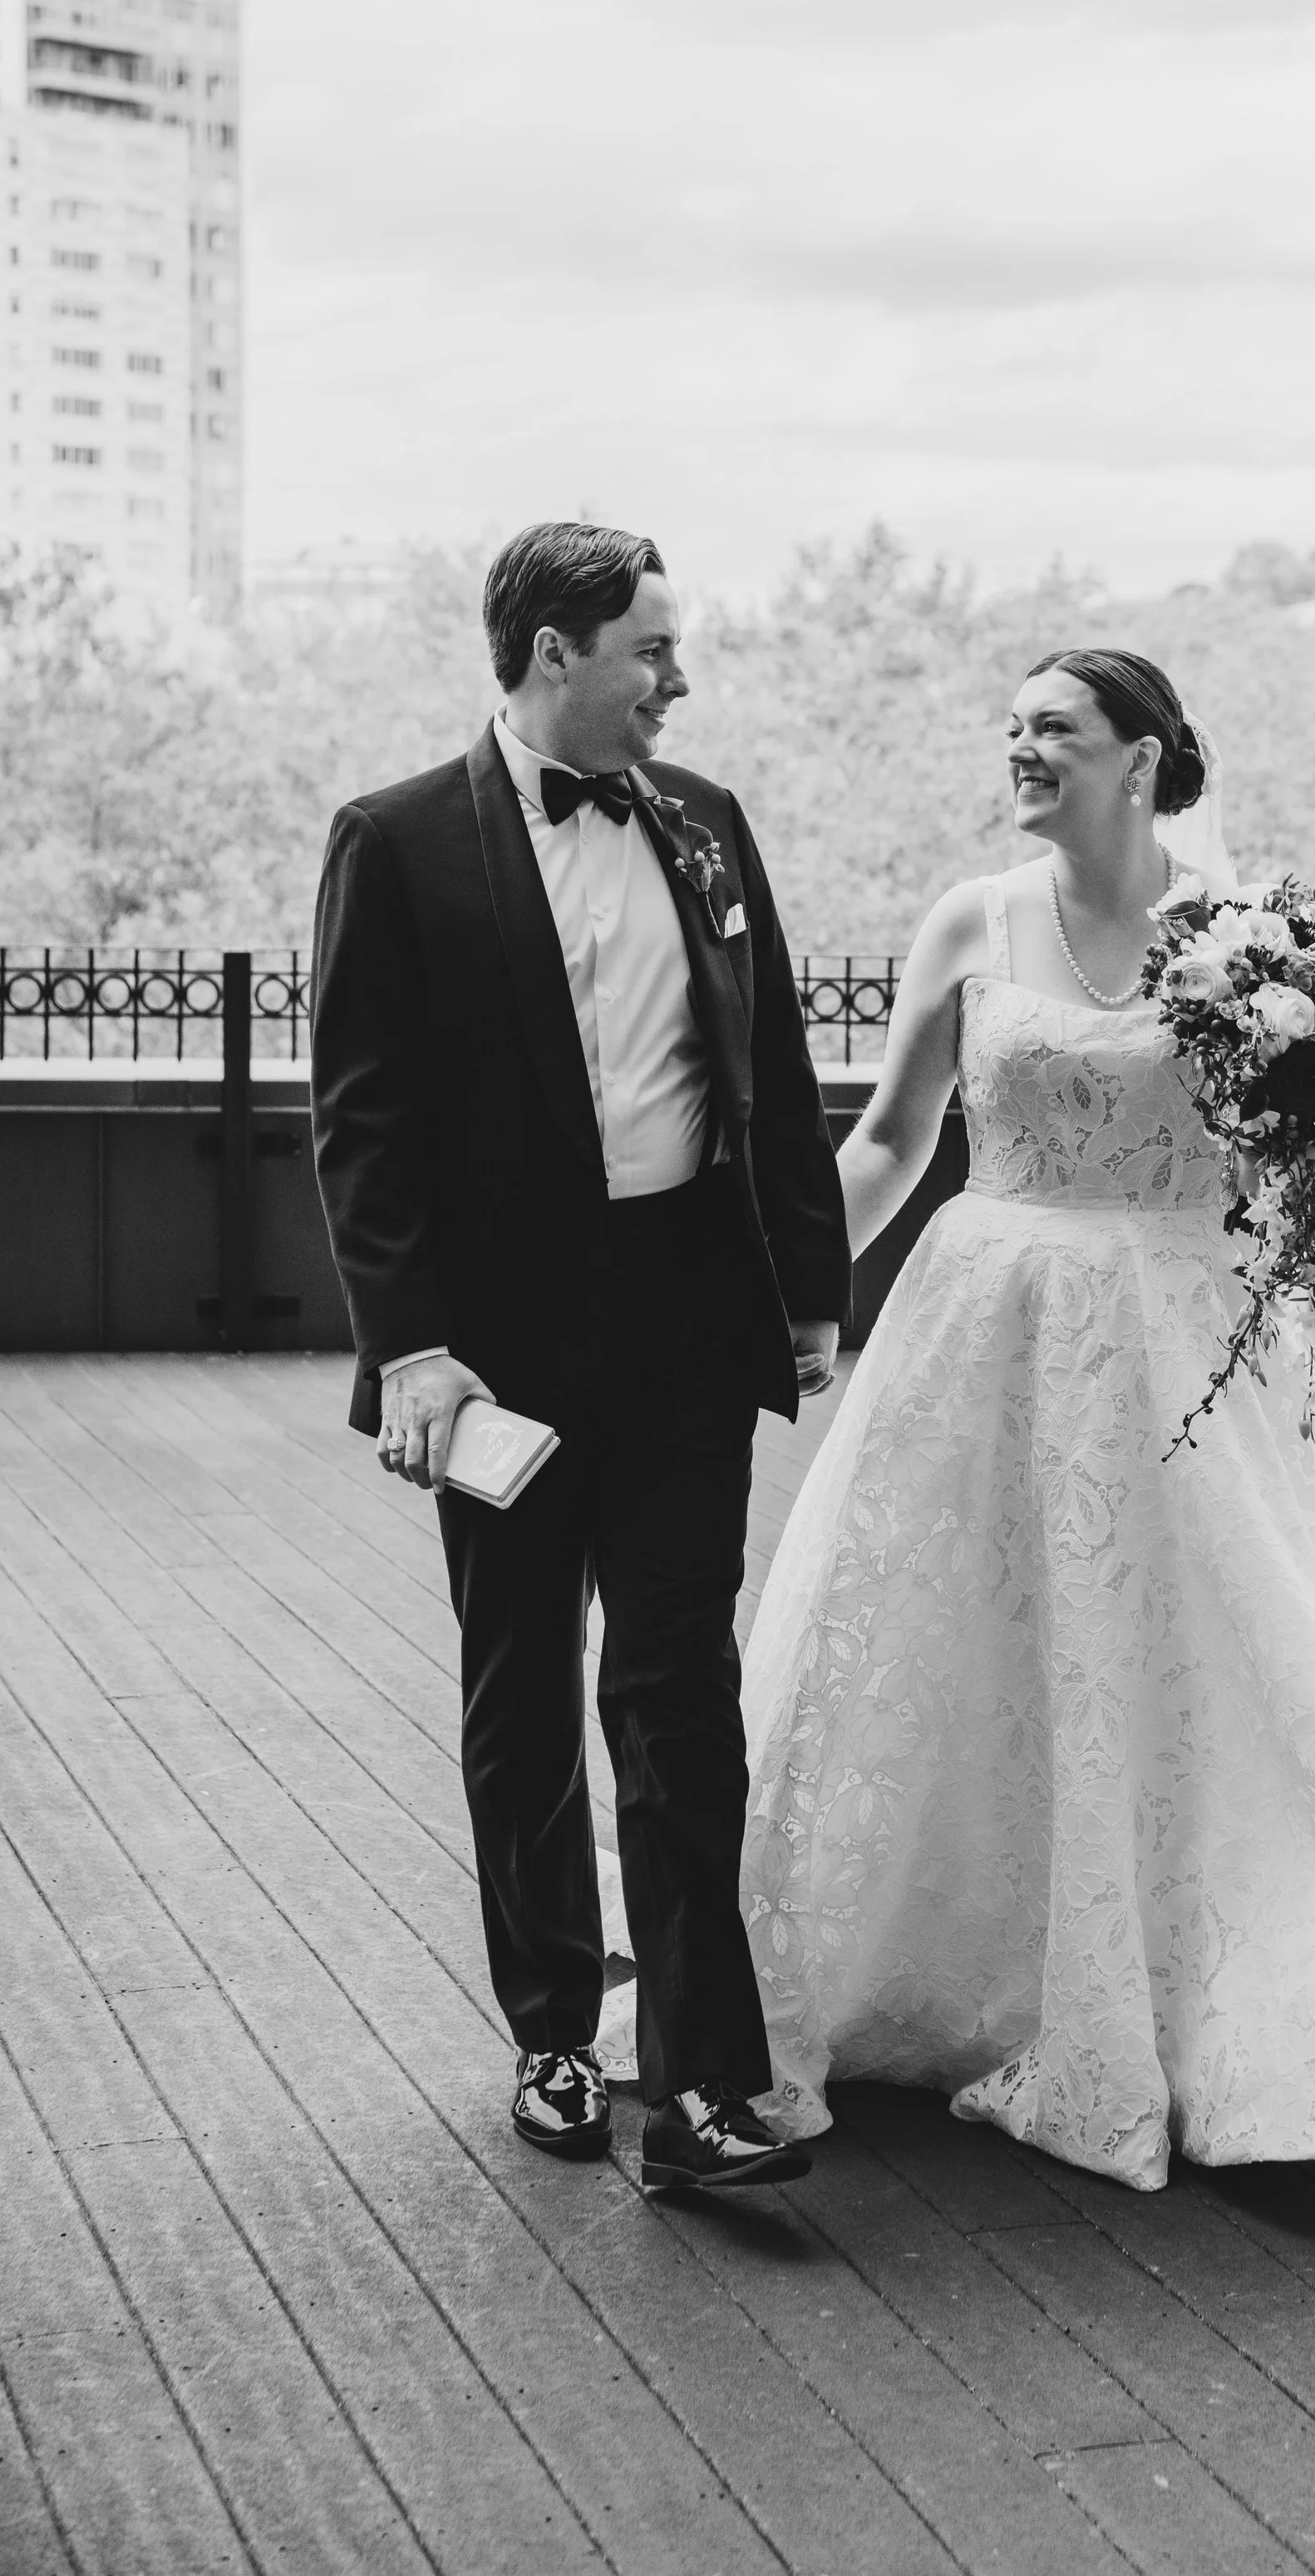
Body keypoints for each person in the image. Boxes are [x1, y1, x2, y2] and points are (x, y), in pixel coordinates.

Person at [730, 646, 1315, 2190]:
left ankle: (1298, 2005)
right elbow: (889, 1140)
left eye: (1056, 730)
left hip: (1184, 1346)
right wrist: (793, 1295)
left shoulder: (1261, 938)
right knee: (955, 1648)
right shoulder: (969, 918)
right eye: (1009, 725)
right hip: (980, 1327)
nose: (1022, 749)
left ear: (1140, 759)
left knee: (1233, 1668)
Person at [309, 522, 849, 2192]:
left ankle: (699, 2084)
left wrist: (808, 1294)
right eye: (652, 653)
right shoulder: (392, 843)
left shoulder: (707, 824)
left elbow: (769, 1064)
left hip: (687, 1311)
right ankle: (553, 2022)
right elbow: (362, 1125)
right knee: (522, 1683)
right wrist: (413, 1353)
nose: (673, 682)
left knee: (677, 1689)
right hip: (504, 1347)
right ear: (557, 651)